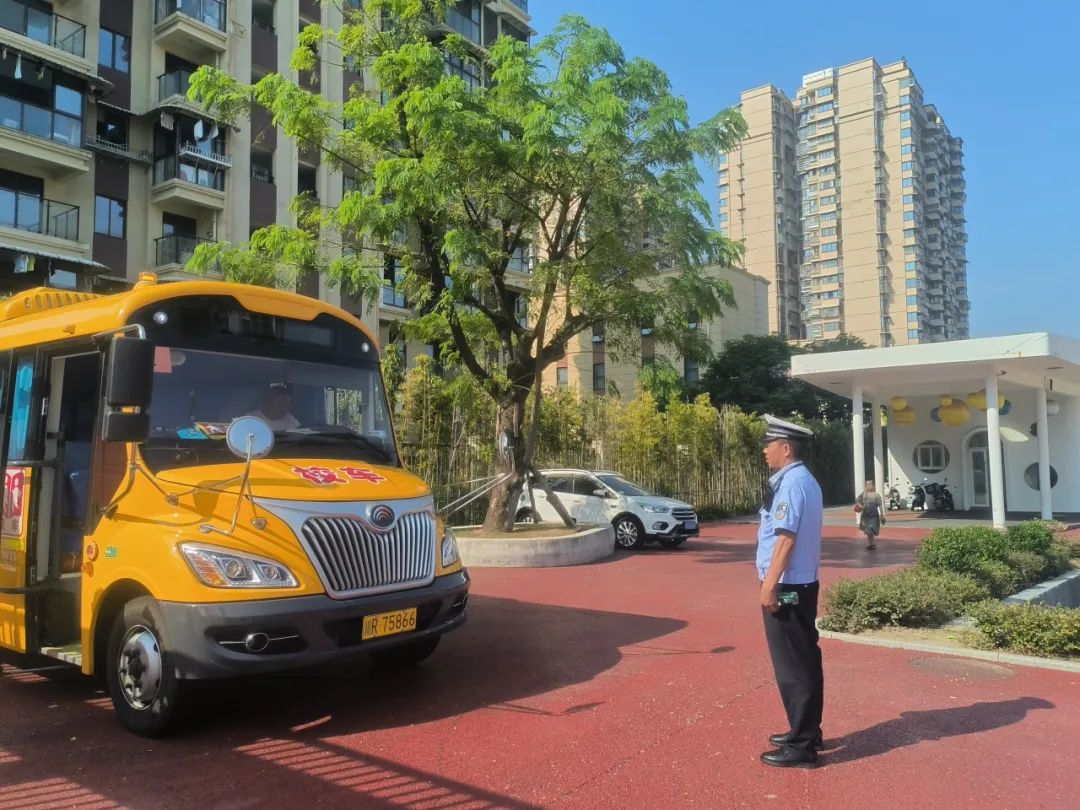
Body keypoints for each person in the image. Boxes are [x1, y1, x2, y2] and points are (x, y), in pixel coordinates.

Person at [756, 414, 825, 769]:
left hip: (788, 586)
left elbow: (785, 538)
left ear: (785, 448)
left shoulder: (792, 484)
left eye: (768, 445)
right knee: (804, 658)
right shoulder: (803, 480)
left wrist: (769, 586)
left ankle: (801, 746)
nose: (765, 451)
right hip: (799, 583)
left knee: (793, 664)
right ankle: (807, 730)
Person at [855, 480, 885, 550]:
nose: (868, 486)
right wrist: (860, 506)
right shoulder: (864, 493)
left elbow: (880, 505)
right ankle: (871, 544)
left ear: (873, 485)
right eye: (867, 485)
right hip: (866, 515)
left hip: (874, 515)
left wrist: (882, 514)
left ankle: (872, 544)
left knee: (872, 529)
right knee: (868, 531)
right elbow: (857, 500)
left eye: (870, 484)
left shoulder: (876, 495)